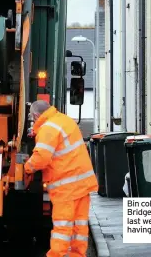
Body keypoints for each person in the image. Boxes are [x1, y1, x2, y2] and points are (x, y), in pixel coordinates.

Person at [24, 100, 98, 257]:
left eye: (32, 118)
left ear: (37, 116)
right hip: (81, 183)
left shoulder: (48, 128)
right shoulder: (64, 120)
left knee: (62, 227)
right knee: (79, 225)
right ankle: (77, 254)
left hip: (66, 187)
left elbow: (41, 158)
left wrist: (26, 168)